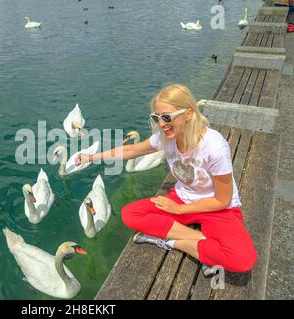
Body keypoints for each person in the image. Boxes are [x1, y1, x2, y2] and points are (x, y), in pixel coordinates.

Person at [75, 84, 257, 274]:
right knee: (130, 214)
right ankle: (204, 242)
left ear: (188, 114)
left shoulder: (214, 147)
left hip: (215, 208)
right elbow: (131, 150)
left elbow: (223, 200)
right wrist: (91, 157)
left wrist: (179, 209)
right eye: (156, 118)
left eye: (167, 117)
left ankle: (173, 242)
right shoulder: (165, 137)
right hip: (181, 197)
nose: (161, 124)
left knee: (243, 260)